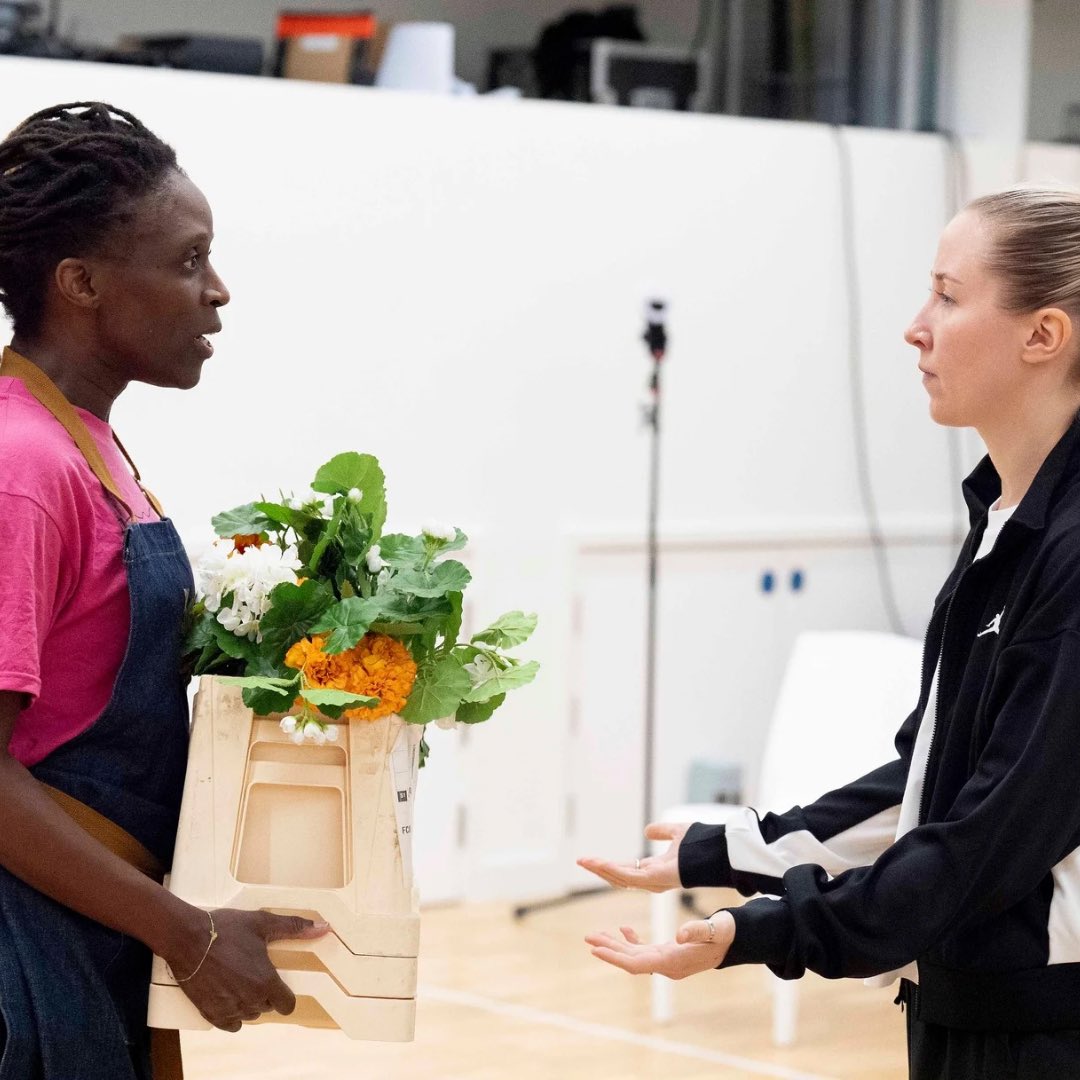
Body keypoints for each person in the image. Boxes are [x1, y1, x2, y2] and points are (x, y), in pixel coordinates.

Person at [580, 185, 1080, 1078]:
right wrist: (727, 854)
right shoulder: (1005, 516)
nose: (915, 326)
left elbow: (984, 839)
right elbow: (930, 773)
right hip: (963, 1006)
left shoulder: (1074, 553)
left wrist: (767, 927)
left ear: (1043, 335)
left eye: (948, 295)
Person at [0, 101, 327, 1080]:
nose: (218, 293)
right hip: (22, 944)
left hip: (89, 919)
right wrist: (183, 932)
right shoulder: (24, 464)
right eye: (188, 262)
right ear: (83, 283)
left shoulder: (91, 444)